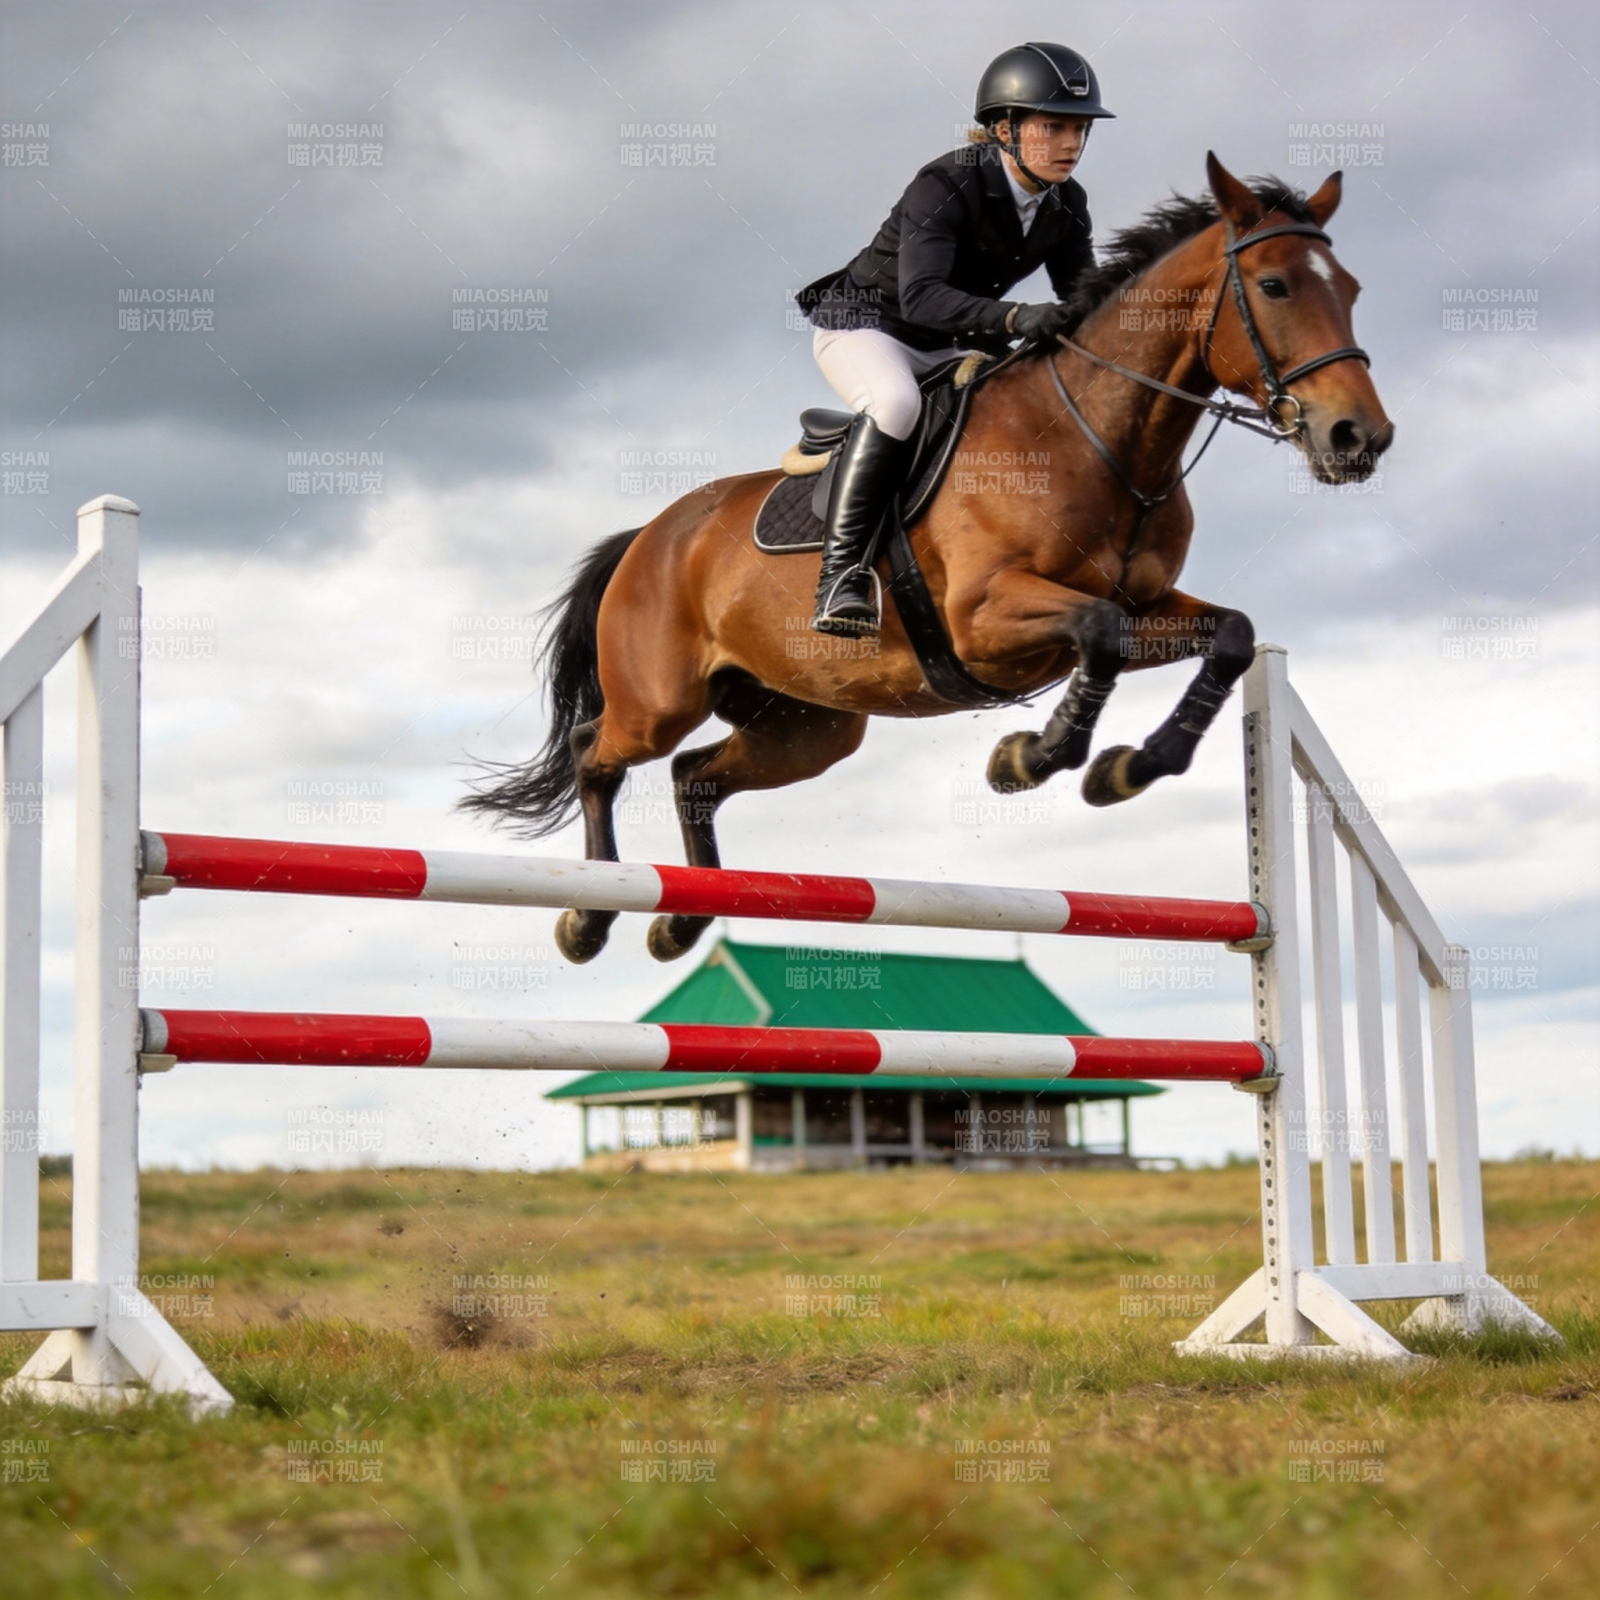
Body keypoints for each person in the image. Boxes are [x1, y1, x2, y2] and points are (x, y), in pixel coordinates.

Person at [796, 42, 1114, 636]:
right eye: (1053, 127)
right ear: (1004, 129)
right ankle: (840, 577)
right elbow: (921, 297)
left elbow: (1084, 301)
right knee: (896, 404)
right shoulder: (946, 182)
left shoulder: (1067, 203)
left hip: (950, 341)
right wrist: (1017, 318)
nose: (1071, 143)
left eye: (1080, 129)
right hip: (868, 327)